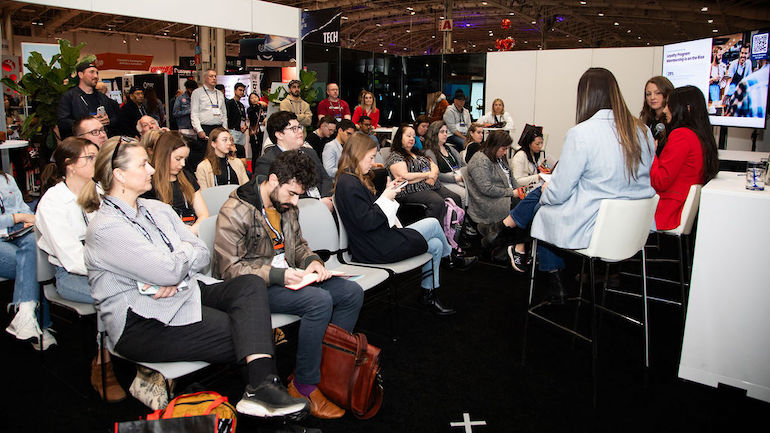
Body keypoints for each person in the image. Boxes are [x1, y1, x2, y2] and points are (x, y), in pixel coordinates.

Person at [79, 138, 309, 419]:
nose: (152, 169)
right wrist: (172, 269)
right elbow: (170, 268)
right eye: (143, 164)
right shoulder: (105, 227)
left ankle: (260, 389)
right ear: (120, 175)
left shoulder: (157, 209)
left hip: (185, 292)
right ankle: (262, 391)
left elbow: (202, 252)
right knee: (250, 334)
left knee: (250, 285)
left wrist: (173, 270)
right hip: (140, 321)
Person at [214, 150, 363, 419]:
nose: (295, 201)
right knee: (318, 302)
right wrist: (277, 276)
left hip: (290, 277)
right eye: (292, 193)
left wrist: (312, 262)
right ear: (273, 179)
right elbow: (229, 269)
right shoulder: (235, 210)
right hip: (256, 288)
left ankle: (323, 372)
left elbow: (298, 247)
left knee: (351, 293)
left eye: (298, 195)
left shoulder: (286, 204)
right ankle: (304, 386)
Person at [483, 68, 656, 299]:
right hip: (632, 227)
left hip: (593, 227)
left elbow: (558, 194)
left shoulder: (582, 133)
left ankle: (540, 267)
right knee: (543, 195)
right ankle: (506, 236)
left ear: (584, 97)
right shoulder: (642, 131)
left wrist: (547, 190)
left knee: (542, 204)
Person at [334, 133, 467, 315]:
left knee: (435, 244)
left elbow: (369, 214)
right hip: (375, 247)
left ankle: (429, 293)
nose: (373, 162)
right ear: (358, 153)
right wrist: (386, 199)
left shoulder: (351, 180)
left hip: (378, 240)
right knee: (433, 224)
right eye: (371, 157)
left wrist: (388, 193)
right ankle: (451, 258)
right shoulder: (349, 183)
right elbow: (367, 221)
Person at [36, 136, 126, 402]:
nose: (96, 162)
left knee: (135, 286)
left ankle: (137, 354)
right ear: (69, 165)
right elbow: (71, 258)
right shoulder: (52, 203)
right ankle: (103, 364)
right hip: (70, 276)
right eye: (89, 157)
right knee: (117, 292)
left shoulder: (98, 191)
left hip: (109, 267)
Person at [651, 86, 719, 230]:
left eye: (669, 105)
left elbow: (660, 181)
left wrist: (651, 153)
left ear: (686, 108)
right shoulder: (701, 137)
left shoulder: (681, 136)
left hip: (667, 211)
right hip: (680, 208)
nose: (664, 110)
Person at [2, 170, 53, 351]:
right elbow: (20, 214)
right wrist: (18, 218)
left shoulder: (6, 178)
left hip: (17, 232)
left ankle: (25, 315)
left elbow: (23, 207)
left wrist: (28, 217)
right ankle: (39, 324)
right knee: (29, 264)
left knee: (32, 244)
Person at [465, 131, 523, 267]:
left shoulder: (498, 157)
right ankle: (510, 248)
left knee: (526, 205)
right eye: (503, 149)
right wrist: (512, 193)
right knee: (523, 209)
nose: (505, 152)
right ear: (494, 146)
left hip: (502, 195)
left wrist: (521, 191)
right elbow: (486, 189)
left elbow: (511, 178)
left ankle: (507, 246)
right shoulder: (480, 160)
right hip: (488, 201)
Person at [255, 111, 334, 210]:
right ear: (279, 134)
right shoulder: (268, 161)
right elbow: (276, 196)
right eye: (294, 129)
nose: (300, 131)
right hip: (296, 212)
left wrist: (326, 198)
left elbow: (325, 178)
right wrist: (317, 203)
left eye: (299, 127)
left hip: (325, 205)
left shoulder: (310, 152)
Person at [385, 124, 462, 222]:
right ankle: (432, 232)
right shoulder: (395, 156)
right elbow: (404, 177)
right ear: (399, 137)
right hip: (410, 190)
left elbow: (434, 166)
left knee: (456, 198)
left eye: (413, 136)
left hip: (431, 184)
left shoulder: (417, 152)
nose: (412, 138)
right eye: (408, 136)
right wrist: (427, 175)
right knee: (438, 202)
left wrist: (432, 177)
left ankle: (454, 231)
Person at [142, 132, 210, 235]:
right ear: (164, 155)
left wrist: (192, 231)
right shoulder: (149, 184)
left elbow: (204, 214)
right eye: (178, 159)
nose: (182, 164)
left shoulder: (187, 177)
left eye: (184, 159)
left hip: (193, 233)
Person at [57, 62, 118, 139]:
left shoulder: (102, 97)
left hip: (101, 142)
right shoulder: (69, 97)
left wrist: (108, 121)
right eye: (91, 72)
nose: (96, 76)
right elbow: (63, 122)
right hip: (80, 143)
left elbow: (115, 118)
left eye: (97, 73)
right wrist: (87, 123)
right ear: (80, 75)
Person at [191, 69, 228, 171]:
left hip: (218, 127)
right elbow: (194, 113)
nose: (214, 78)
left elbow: (224, 113)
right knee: (205, 155)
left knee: (219, 153)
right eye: (211, 76)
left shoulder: (219, 94)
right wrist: (199, 130)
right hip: (205, 128)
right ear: (205, 78)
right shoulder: (197, 93)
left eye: (215, 76)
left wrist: (225, 129)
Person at [423, 121, 466, 204]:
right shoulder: (429, 152)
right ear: (434, 134)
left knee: (474, 191)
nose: (445, 134)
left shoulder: (450, 148)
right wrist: (455, 178)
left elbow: (463, 164)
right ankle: (462, 216)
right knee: (463, 195)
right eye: (442, 132)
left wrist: (463, 175)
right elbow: (436, 175)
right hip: (443, 181)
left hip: (459, 176)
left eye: (446, 132)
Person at [512, 124, 552, 188]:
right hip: (524, 190)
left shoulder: (537, 154)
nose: (540, 146)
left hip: (536, 186)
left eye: (542, 143)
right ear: (529, 143)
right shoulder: (520, 156)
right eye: (537, 144)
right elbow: (517, 181)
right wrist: (538, 176)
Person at [639, 76, 674, 144]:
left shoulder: (672, 121)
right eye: (648, 94)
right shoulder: (646, 119)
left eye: (657, 93)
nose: (652, 97)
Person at [226, 83, 249, 155]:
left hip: (241, 132)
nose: (241, 92)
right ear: (235, 91)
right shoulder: (229, 103)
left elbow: (244, 118)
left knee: (241, 151)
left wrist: (245, 126)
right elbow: (226, 117)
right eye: (240, 90)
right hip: (233, 130)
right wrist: (227, 130)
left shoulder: (241, 105)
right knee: (233, 151)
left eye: (243, 90)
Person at [247, 92, 265, 165]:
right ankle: (254, 171)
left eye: (255, 97)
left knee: (262, 152)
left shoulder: (264, 107)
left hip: (263, 132)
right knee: (255, 153)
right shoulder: (250, 109)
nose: (254, 99)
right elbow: (252, 114)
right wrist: (259, 105)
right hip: (255, 132)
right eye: (252, 98)